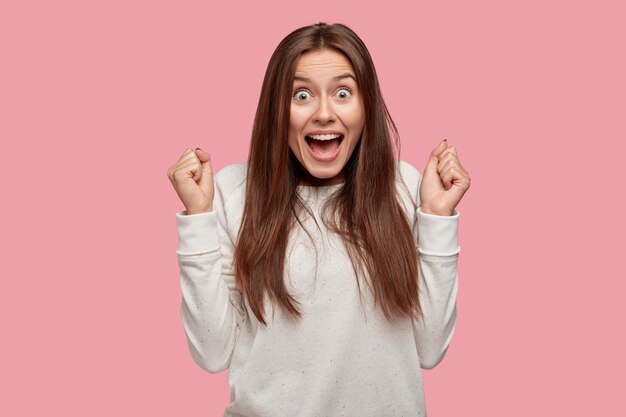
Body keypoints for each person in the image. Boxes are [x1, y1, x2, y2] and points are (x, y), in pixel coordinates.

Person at [167, 22, 470, 417]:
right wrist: (198, 220)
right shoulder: (233, 192)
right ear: (277, 107)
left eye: (343, 93)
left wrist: (436, 219)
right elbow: (211, 351)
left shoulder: (404, 187)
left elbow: (430, 349)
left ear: (367, 107)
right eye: (302, 94)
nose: (324, 113)